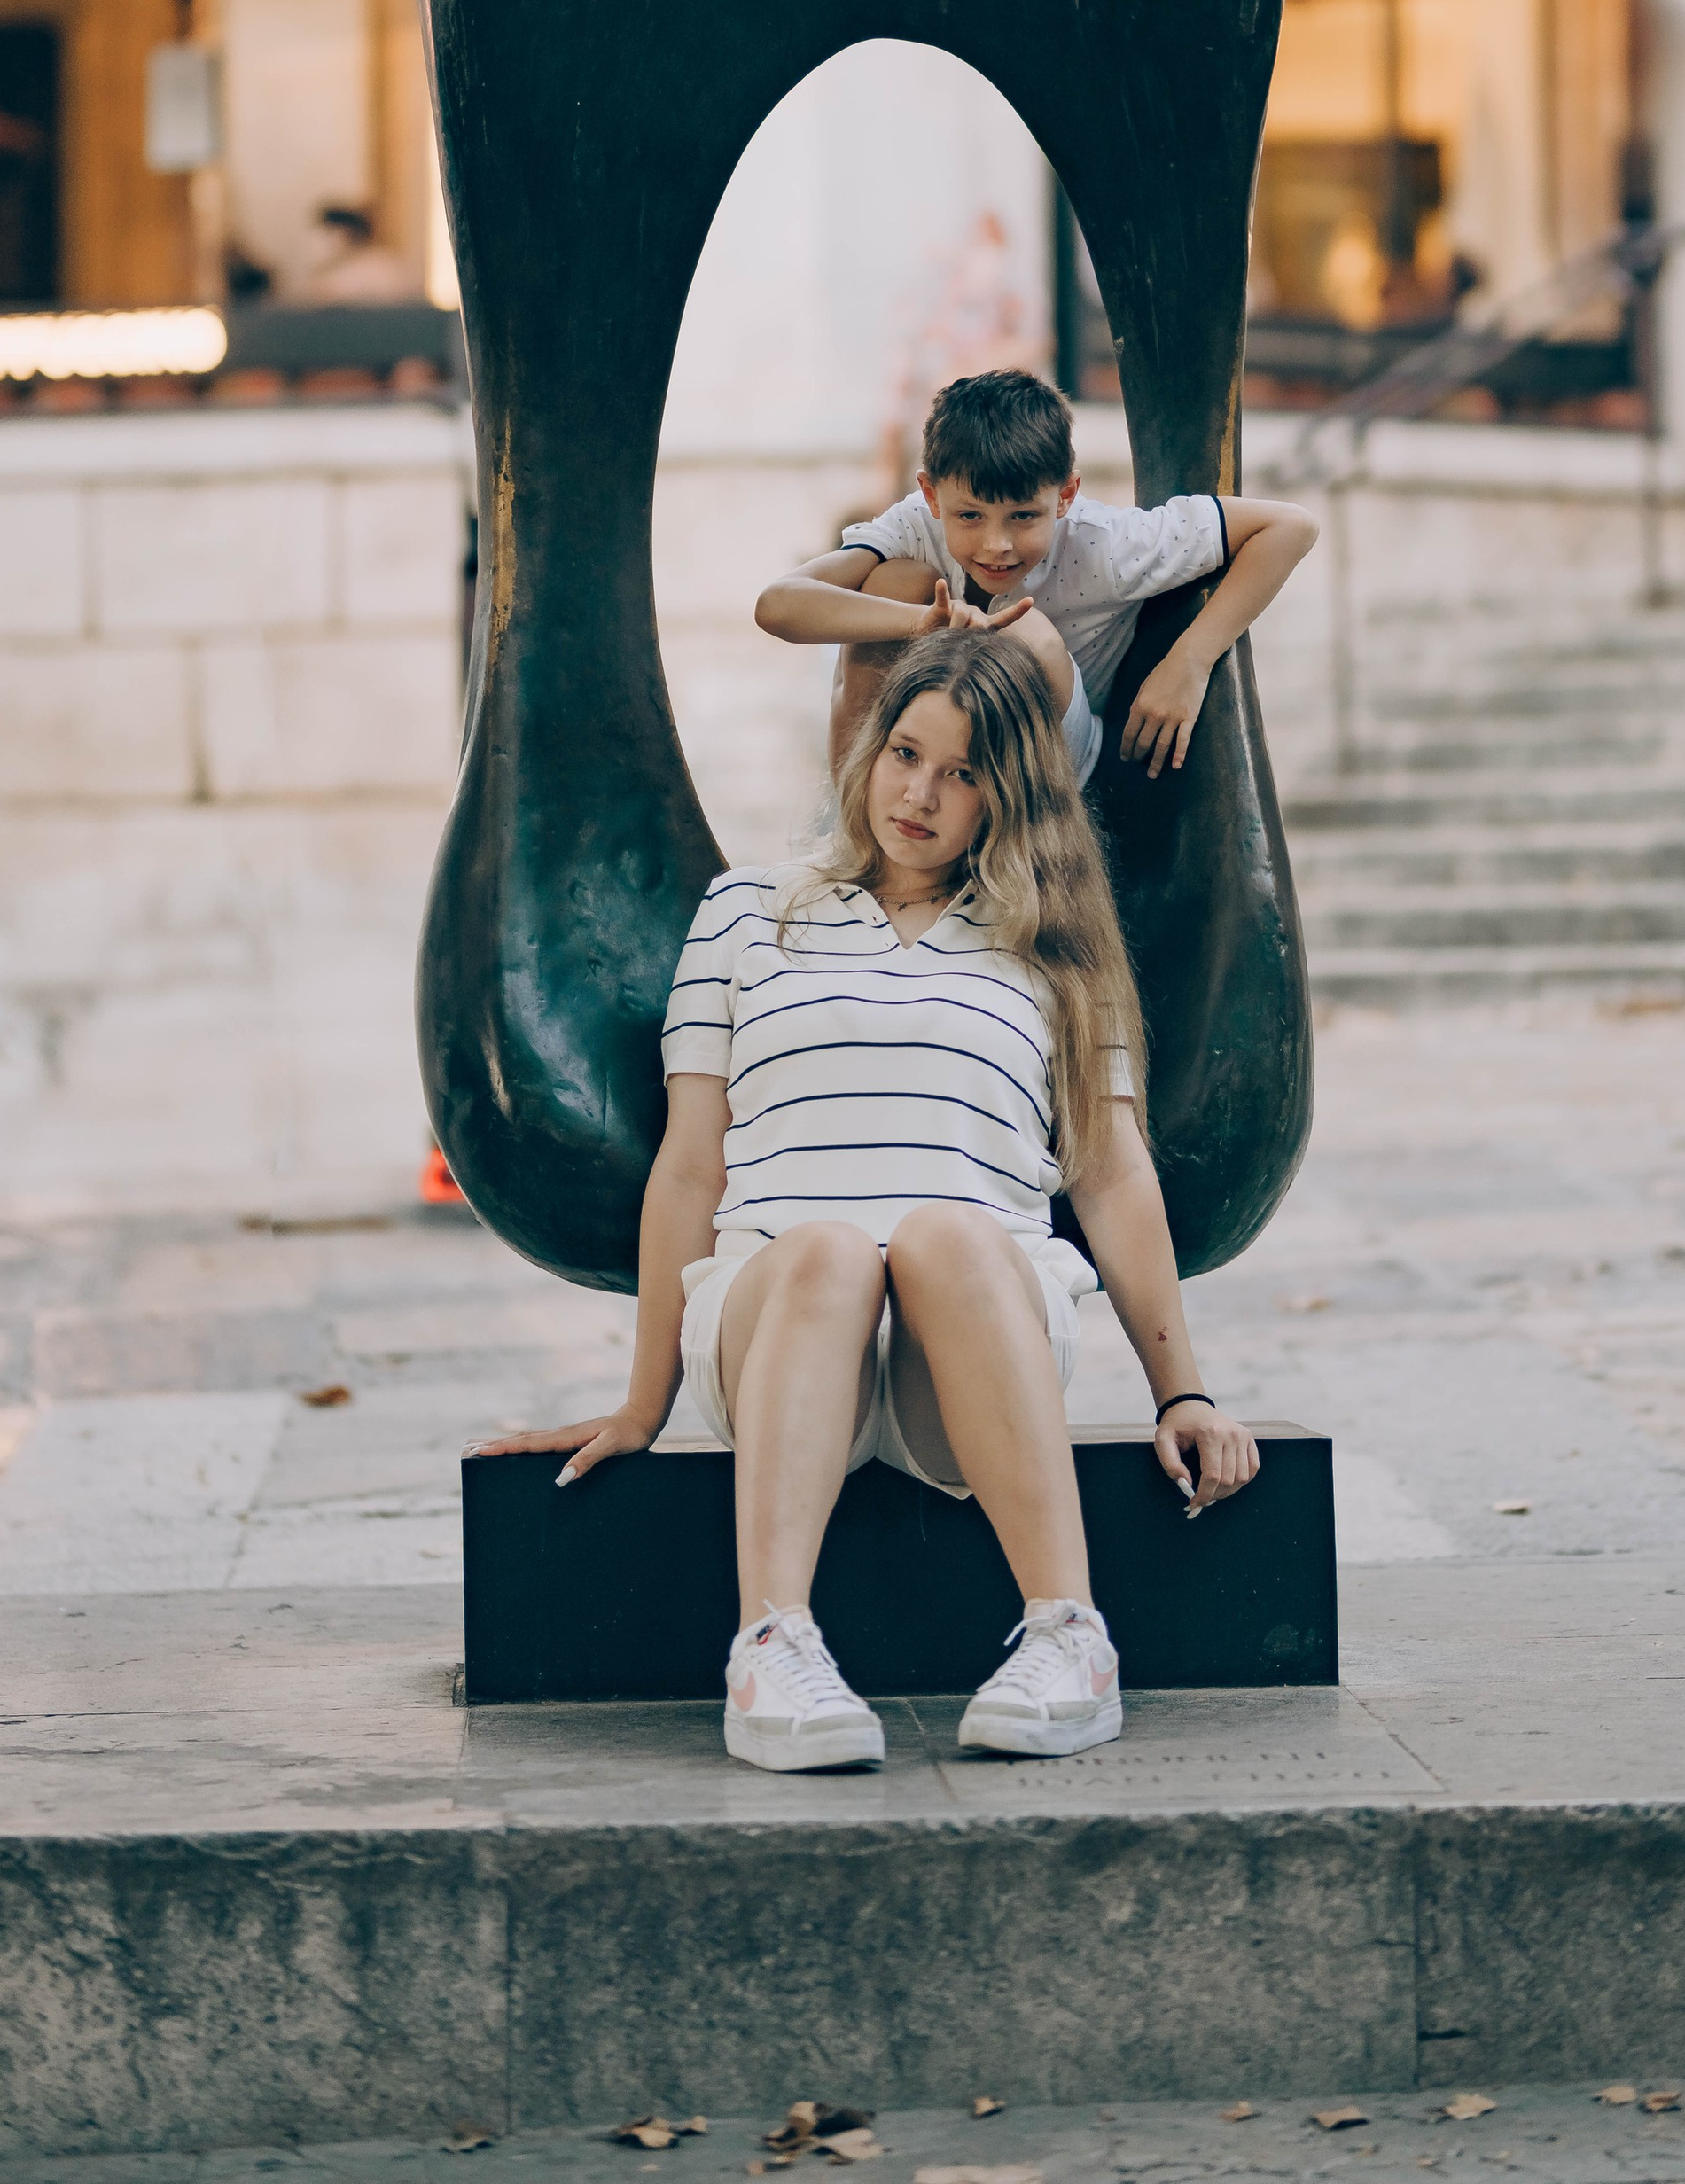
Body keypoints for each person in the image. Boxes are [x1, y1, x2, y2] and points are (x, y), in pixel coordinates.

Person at [465, 631, 1260, 1774]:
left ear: (1012, 794)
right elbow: (693, 1166)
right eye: (904, 753)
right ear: (869, 754)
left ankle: (1069, 1640)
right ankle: (773, 1649)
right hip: (779, 1319)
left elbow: (1112, 1170)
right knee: (830, 1251)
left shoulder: (1059, 947)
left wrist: (1181, 1389)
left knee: (943, 1233)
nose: (919, 794)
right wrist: (642, 1404)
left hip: (977, 1332)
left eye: (964, 772)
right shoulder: (745, 912)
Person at [756, 368, 1318, 784]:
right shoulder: (915, 522)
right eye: (970, 516)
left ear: (1066, 495)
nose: (996, 545)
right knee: (892, 584)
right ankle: (858, 822)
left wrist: (1192, 658)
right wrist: (921, 622)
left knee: (1019, 631)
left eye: (1024, 516)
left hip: (1052, 761)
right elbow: (778, 604)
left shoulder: (1108, 545)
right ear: (932, 494)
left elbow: (1290, 526)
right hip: (933, 748)